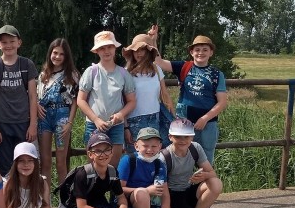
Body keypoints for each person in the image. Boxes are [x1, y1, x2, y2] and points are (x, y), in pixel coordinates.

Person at [150, 27, 227, 165]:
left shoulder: (217, 74)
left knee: (206, 158)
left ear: (211, 52)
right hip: (184, 121)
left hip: (208, 123)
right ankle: (182, 185)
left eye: (205, 49)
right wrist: (153, 41)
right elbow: (159, 62)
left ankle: (203, 185)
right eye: (197, 50)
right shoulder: (183, 67)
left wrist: (204, 119)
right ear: (191, 52)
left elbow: (222, 102)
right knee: (181, 156)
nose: (200, 53)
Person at [118, 127, 188, 208]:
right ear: (136, 146)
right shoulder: (128, 160)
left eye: (154, 146)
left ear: (160, 146)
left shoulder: (159, 164)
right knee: (142, 193)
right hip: (131, 201)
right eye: (145, 145)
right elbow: (118, 189)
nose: (150, 150)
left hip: (153, 203)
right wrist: (146, 190)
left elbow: (165, 194)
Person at [64, 131, 135, 208]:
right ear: (90, 154)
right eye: (98, 151)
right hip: (79, 207)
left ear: (112, 152)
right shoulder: (83, 174)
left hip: (99, 204)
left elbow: (121, 196)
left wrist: (123, 207)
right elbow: (81, 207)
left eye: (107, 150)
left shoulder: (112, 172)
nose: (103, 154)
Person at [76, 30, 136, 167]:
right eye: (102, 48)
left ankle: (111, 189)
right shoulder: (91, 72)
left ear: (115, 48)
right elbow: (81, 100)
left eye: (109, 47)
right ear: (96, 51)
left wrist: (121, 114)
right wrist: (96, 119)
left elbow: (132, 101)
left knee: (113, 166)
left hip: (116, 125)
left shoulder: (123, 73)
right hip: (93, 124)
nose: (106, 51)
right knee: (93, 165)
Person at [0, 25, 38, 175]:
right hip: (2, 124)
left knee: (25, 163)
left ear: (19, 42)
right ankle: (6, 197)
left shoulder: (27, 64)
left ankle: (25, 197)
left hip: (23, 122)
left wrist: (33, 125)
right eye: (4, 42)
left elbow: (33, 96)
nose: (8, 45)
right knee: (4, 166)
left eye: (11, 41)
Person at [36, 38, 79, 208]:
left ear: (66, 55)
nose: (58, 56)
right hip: (44, 116)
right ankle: (44, 202)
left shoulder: (73, 74)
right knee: (45, 162)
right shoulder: (43, 74)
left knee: (61, 162)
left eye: (61, 54)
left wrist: (70, 122)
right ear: (50, 53)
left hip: (62, 115)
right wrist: (36, 107)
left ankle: (63, 202)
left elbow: (76, 100)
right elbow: (36, 95)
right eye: (55, 52)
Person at [164, 119, 223, 208]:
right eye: (178, 137)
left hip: (188, 188)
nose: (182, 140)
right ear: (170, 137)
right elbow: (162, 190)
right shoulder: (164, 156)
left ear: (192, 137)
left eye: (186, 137)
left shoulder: (195, 148)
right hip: (172, 195)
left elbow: (212, 173)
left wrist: (204, 176)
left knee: (215, 183)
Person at [122, 34, 175, 152]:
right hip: (133, 120)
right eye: (135, 50)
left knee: (155, 154)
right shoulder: (126, 72)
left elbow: (164, 94)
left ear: (148, 51)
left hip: (155, 117)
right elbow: (122, 101)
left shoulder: (156, 69)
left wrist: (173, 116)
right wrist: (125, 127)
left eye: (142, 50)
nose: (138, 53)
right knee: (136, 156)